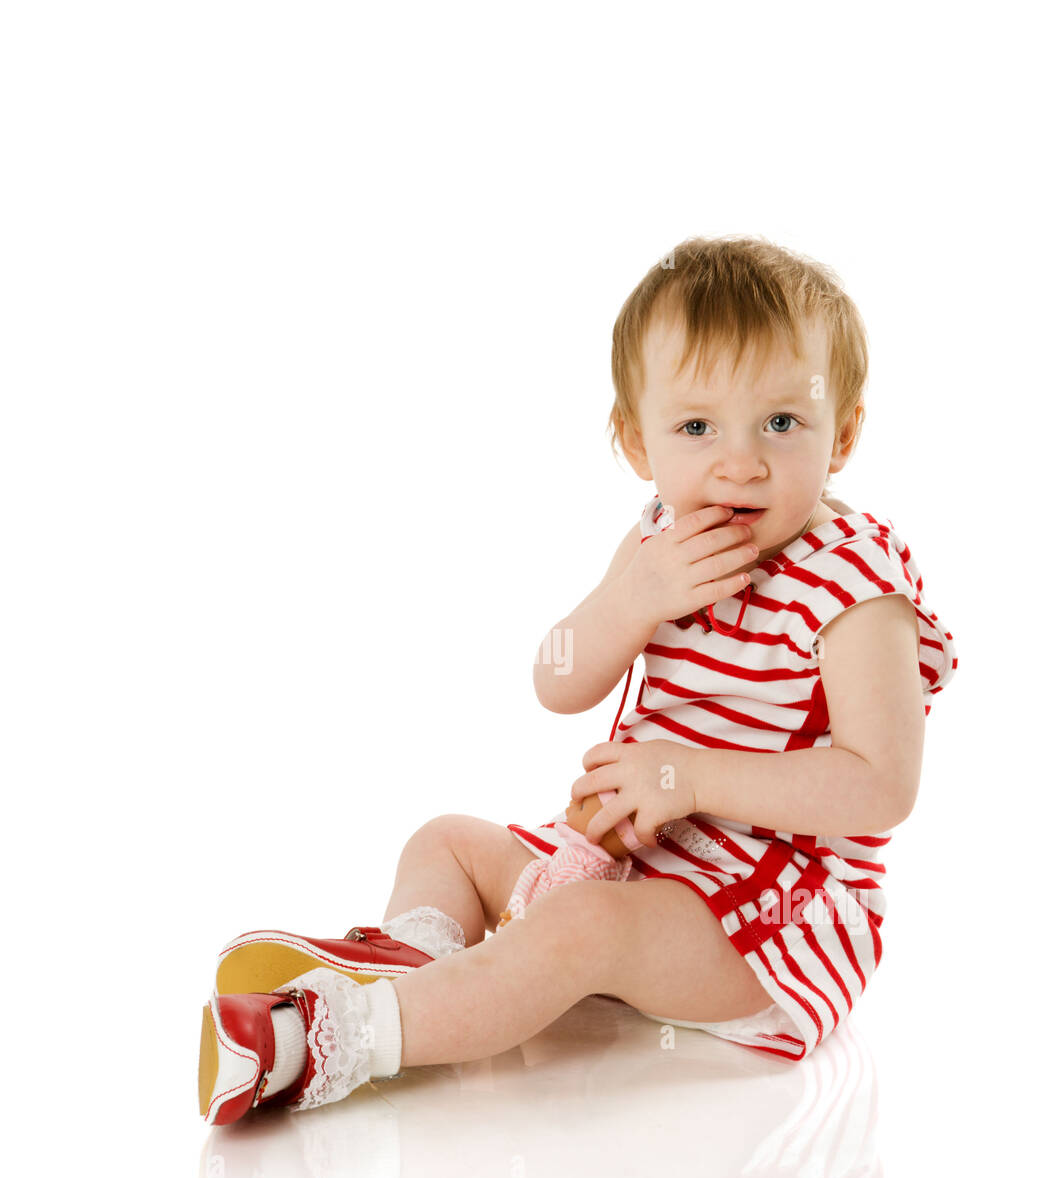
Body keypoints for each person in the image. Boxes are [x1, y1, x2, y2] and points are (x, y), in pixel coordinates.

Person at [198, 235, 957, 1125]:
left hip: (769, 922)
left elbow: (880, 787)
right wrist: (629, 599)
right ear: (636, 441)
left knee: (583, 931)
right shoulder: (655, 544)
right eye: (696, 427)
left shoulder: (855, 586)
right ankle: (416, 961)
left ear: (846, 434)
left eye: (781, 424)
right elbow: (557, 682)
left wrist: (687, 777)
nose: (740, 462)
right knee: (443, 840)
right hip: (630, 862)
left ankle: (330, 1039)